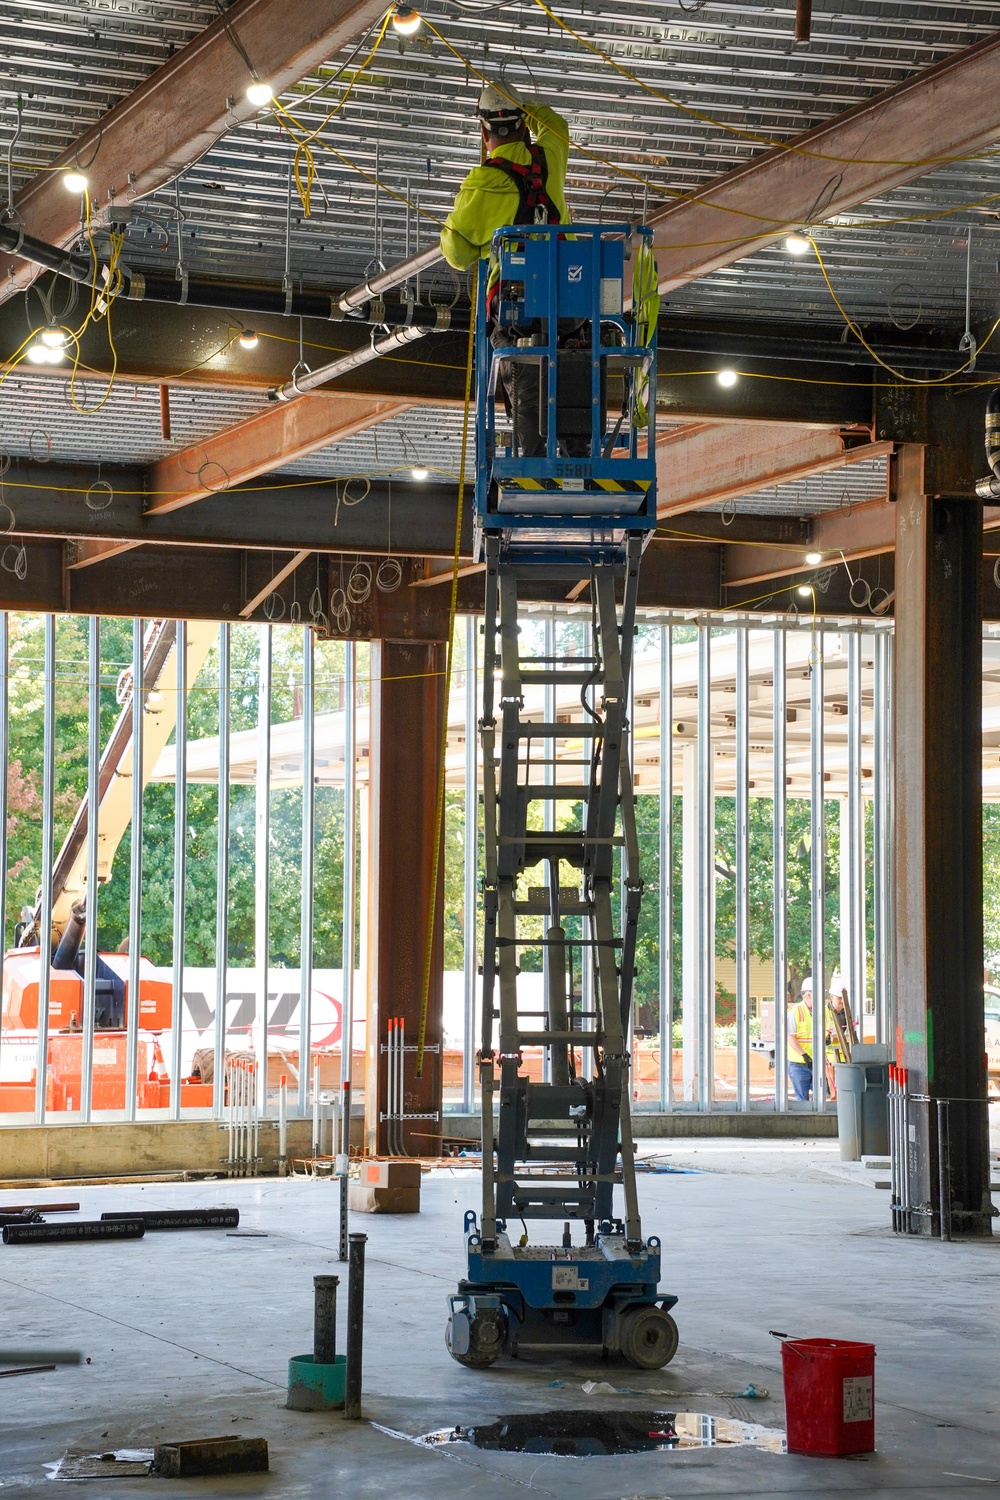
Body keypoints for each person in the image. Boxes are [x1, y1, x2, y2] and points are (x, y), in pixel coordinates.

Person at [440, 83, 570, 459]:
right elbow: (556, 123)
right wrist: (522, 107)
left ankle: (532, 460)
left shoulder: (483, 182)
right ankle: (576, 448)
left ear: (483, 134)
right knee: (573, 370)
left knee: (524, 378)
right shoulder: (551, 156)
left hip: (519, 309)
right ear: (524, 126)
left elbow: (458, 253)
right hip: (571, 302)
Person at [787, 977, 814, 1102]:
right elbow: (790, 1036)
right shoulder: (795, 1011)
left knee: (822, 1097)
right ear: (808, 995)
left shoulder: (820, 1012)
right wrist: (804, 1055)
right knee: (803, 1100)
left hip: (816, 1063)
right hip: (799, 1064)